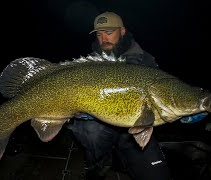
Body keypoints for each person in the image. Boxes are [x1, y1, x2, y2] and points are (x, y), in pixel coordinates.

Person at [69, 11, 171, 180]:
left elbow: (162, 96)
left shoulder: (145, 60)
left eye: (109, 32)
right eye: (99, 34)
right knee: (89, 130)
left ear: (122, 31)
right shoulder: (89, 64)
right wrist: (78, 110)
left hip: (132, 134)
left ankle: (122, 156)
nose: (104, 38)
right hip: (102, 128)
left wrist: (182, 112)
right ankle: (99, 164)